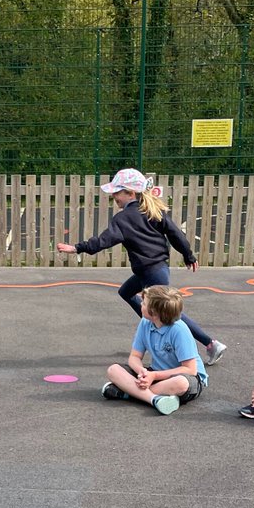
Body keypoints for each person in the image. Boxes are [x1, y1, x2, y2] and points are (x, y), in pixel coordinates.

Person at [57, 167, 225, 366]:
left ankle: (210, 344)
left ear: (130, 193)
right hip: (154, 269)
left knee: (171, 315)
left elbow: (103, 240)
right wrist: (188, 255)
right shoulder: (151, 211)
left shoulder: (124, 218)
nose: (113, 196)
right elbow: (176, 234)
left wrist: (76, 248)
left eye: (117, 192)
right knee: (126, 292)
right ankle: (154, 327)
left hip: (152, 272)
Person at [102, 285, 207, 415]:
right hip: (155, 374)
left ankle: (130, 392)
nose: (140, 304)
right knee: (114, 370)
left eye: (144, 303)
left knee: (181, 383)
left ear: (155, 313)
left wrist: (153, 376)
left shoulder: (179, 330)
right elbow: (134, 357)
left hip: (186, 377)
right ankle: (154, 399)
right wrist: (142, 372)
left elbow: (190, 370)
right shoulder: (145, 323)